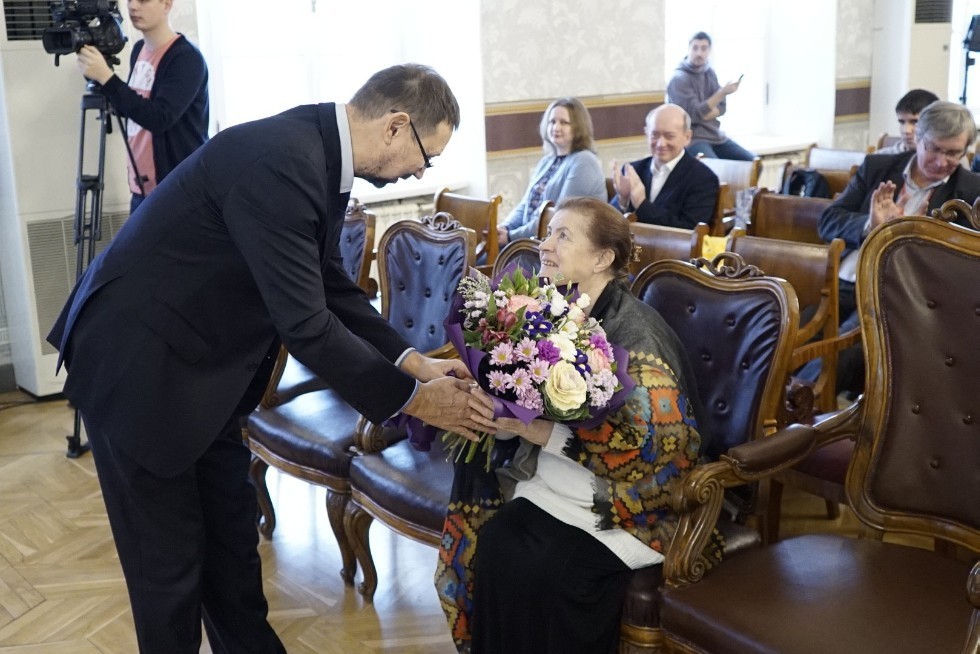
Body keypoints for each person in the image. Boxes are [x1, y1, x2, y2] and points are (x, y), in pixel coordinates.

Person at [47, 64, 497, 654]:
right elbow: (307, 327)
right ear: (396, 125)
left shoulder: (317, 151)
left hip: (204, 378)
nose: (420, 171)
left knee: (232, 561)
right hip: (141, 372)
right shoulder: (285, 162)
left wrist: (414, 362)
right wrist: (416, 403)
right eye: (425, 157)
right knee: (169, 578)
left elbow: (327, 282)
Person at [435, 197, 722, 654]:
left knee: (555, 569)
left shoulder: (637, 335)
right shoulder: (545, 312)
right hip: (558, 484)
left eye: (563, 236)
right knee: (497, 542)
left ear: (602, 258)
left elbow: (658, 448)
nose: (545, 245)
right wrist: (495, 410)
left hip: (630, 502)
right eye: (548, 232)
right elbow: (527, 406)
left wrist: (537, 431)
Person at [810, 100, 980, 394]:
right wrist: (872, 226)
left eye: (953, 153)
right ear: (918, 139)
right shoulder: (878, 168)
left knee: (848, 341)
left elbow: (965, 264)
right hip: (842, 282)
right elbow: (828, 221)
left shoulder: (971, 191)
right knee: (778, 327)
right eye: (934, 149)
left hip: (900, 294)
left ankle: (799, 402)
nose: (941, 162)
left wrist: (913, 237)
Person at [75, 0, 209, 213]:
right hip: (142, 187)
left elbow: (159, 118)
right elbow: (135, 109)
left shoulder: (186, 58)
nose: (133, 7)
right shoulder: (139, 50)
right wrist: (101, 82)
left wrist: (107, 77)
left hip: (178, 190)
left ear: (166, 4)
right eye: (130, 0)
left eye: (143, 0)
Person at [496, 97, 606, 247]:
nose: (556, 127)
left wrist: (511, 236)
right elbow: (525, 205)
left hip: (566, 246)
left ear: (578, 127)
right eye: (552, 121)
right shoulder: (547, 161)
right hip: (533, 241)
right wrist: (505, 227)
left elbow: (560, 216)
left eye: (564, 122)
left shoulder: (584, 161)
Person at [610, 104, 719, 229]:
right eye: (654, 135)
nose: (661, 144)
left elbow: (689, 230)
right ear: (646, 133)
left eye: (669, 136)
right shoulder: (634, 170)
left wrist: (641, 203)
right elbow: (606, 220)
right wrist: (623, 199)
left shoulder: (703, 179)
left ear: (687, 137)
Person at [666, 31, 755, 161]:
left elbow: (722, 108)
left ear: (709, 51)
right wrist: (722, 92)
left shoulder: (709, 72)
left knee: (752, 162)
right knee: (714, 168)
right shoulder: (679, 79)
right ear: (689, 49)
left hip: (715, 135)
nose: (699, 53)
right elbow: (694, 115)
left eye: (703, 49)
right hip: (693, 138)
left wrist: (704, 113)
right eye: (695, 48)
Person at [876, 89, 939, 154]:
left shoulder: (943, 159)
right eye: (902, 122)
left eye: (915, 122)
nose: (906, 131)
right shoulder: (880, 157)